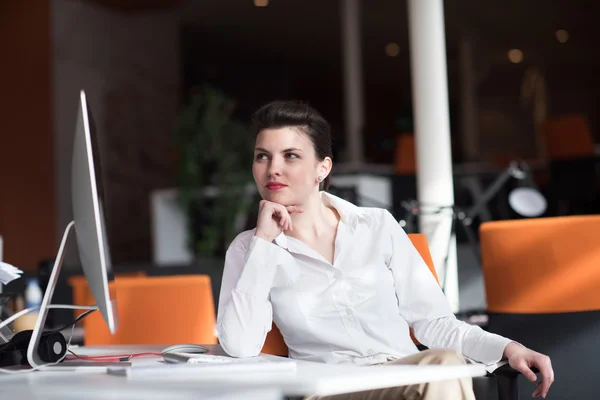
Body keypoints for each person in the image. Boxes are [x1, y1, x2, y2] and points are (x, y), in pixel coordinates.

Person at [216, 100, 554, 400]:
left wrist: (509, 348)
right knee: (442, 371)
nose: (273, 168)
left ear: (323, 167)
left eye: (290, 155)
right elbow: (239, 346)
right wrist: (264, 242)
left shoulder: (376, 225)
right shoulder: (249, 248)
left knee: (444, 366)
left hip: (406, 375)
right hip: (333, 390)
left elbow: (435, 323)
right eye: (263, 156)